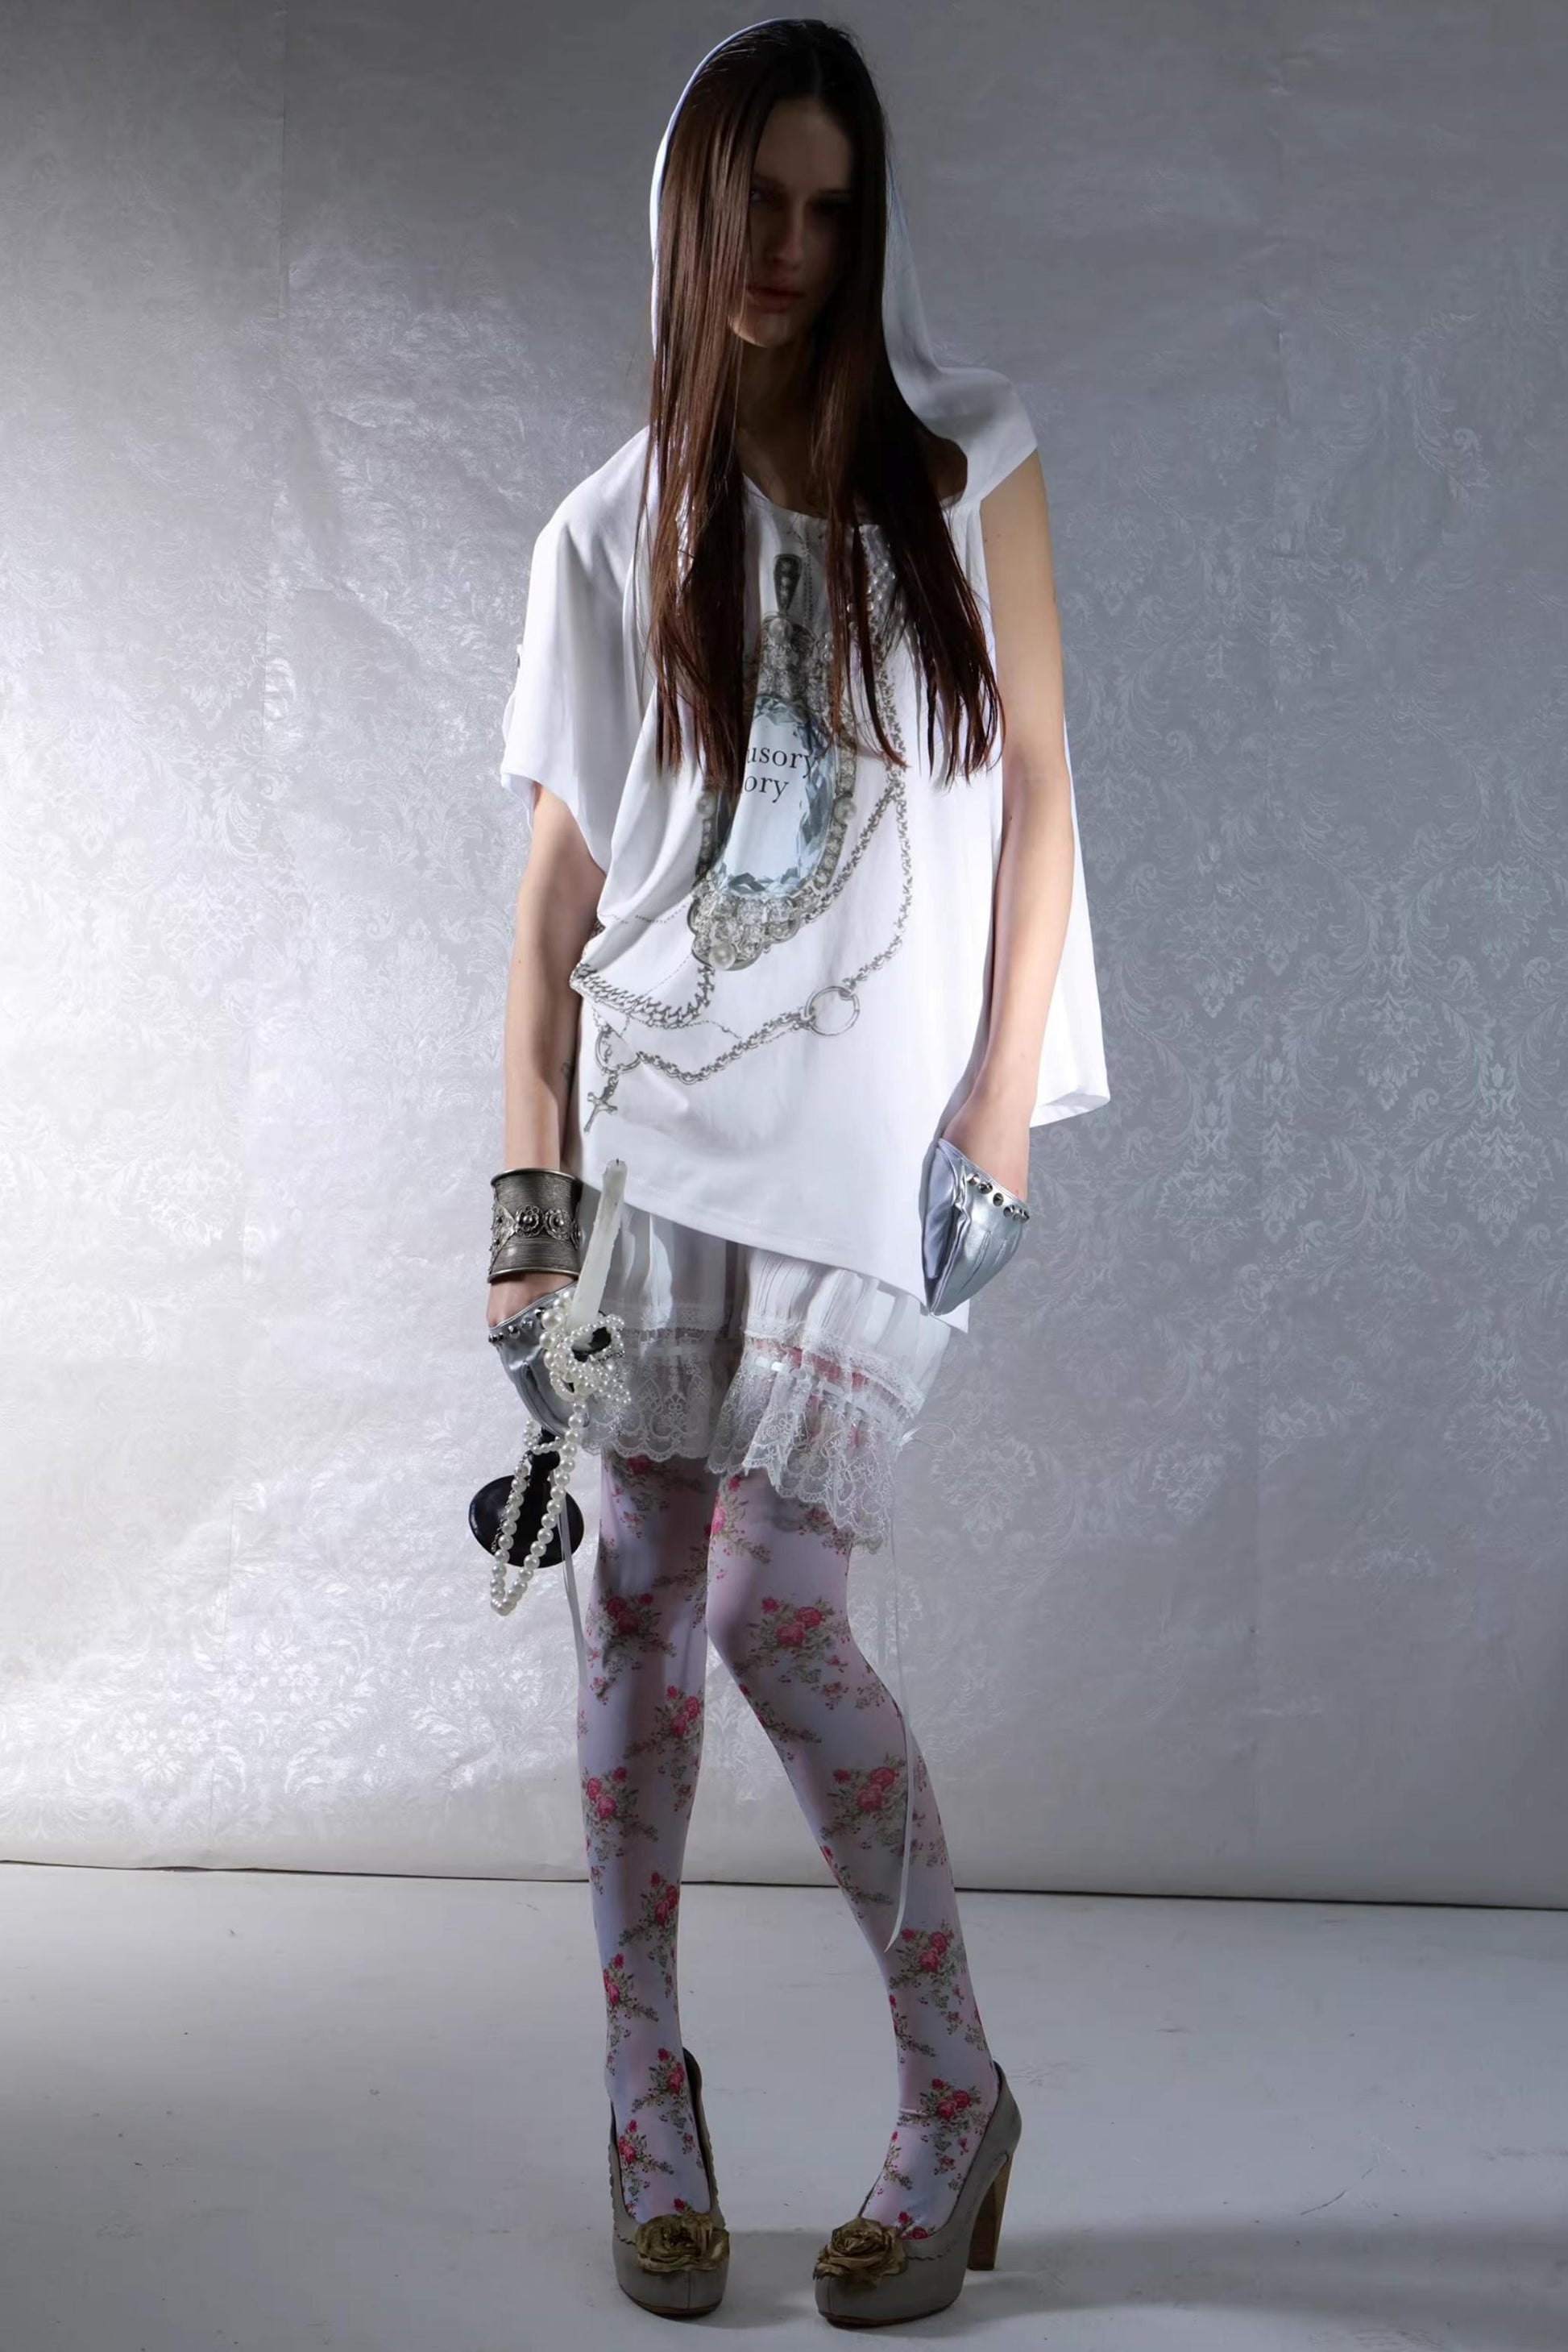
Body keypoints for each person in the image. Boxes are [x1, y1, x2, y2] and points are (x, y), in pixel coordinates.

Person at [486, 16, 1108, 2324]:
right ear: (692, 208)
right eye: (758, 200)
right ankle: (642, 2092)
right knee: (637, 1602)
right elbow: (552, 910)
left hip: (868, 1152)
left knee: (773, 1615)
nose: (790, 247)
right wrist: (525, 1220)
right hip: (652, 1141)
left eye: (832, 210)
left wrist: (998, 1100)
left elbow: (1042, 791)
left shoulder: (967, 467)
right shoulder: (599, 532)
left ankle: (956, 2095)